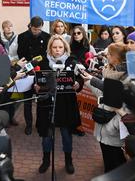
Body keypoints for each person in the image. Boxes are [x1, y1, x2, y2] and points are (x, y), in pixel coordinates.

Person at [33, 35, 83, 174]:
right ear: (50, 48)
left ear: (65, 48)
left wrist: (78, 83)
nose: (57, 50)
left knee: (66, 134)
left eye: (60, 47)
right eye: (54, 47)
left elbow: (79, 78)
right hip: (47, 103)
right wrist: (35, 87)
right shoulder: (43, 62)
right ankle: (46, 160)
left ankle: (68, 160)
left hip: (66, 103)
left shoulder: (72, 62)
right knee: (46, 135)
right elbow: (36, 80)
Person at [80, 42, 129, 173]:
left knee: (115, 165)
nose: (106, 55)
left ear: (117, 58)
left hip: (114, 130)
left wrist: (92, 80)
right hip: (103, 128)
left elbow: (120, 103)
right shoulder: (108, 71)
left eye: (110, 53)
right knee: (109, 162)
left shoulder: (126, 78)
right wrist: (88, 82)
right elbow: (102, 94)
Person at [17, 16, 51, 135]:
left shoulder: (47, 37)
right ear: (30, 26)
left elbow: (47, 55)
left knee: (42, 98)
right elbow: (21, 54)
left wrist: (41, 68)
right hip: (27, 70)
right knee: (27, 100)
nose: (37, 31)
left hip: (42, 71)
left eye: (39, 29)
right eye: (34, 29)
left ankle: (40, 123)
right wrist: (29, 67)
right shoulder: (22, 37)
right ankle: (28, 124)